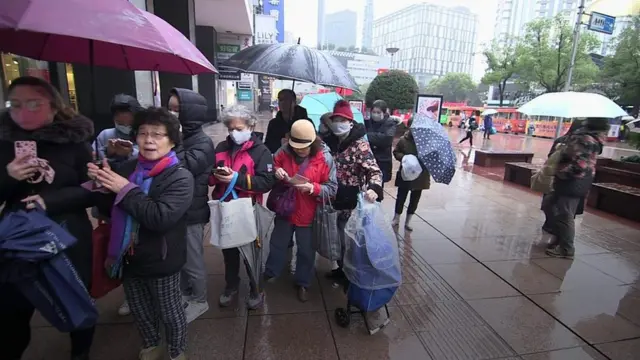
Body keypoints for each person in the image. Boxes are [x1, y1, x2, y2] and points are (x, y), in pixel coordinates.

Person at [0, 76, 96, 360]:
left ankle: (81, 354)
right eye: (14, 104)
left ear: (54, 107)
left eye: (34, 104)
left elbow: (92, 189)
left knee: (75, 299)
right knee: (11, 310)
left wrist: (50, 200)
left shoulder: (75, 142)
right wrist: (8, 177)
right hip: (16, 237)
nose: (23, 112)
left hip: (67, 234)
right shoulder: (3, 141)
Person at [89, 107, 193, 360]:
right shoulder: (128, 167)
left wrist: (124, 189)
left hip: (161, 257)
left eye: (157, 134)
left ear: (171, 140)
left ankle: (176, 350)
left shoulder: (179, 177)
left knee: (170, 310)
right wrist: (103, 186)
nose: (149, 140)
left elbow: (160, 217)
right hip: (126, 254)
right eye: (143, 133)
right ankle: (151, 343)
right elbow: (109, 209)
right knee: (139, 308)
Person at [209, 105, 276, 309]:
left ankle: (256, 288)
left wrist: (236, 178)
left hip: (249, 208)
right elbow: (209, 176)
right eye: (230, 128)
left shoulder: (261, 151)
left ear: (250, 125)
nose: (233, 133)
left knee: (251, 252)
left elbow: (266, 182)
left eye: (238, 128)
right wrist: (216, 176)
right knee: (229, 251)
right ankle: (231, 285)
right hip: (226, 207)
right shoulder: (221, 147)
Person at [265, 120, 337, 302]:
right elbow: (270, 167)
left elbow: (332, 188)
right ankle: (271, 272)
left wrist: (313, 188)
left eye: (303, 148)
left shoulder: (325, 158)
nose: (299, 150)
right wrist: (276, 171)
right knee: (277, 243)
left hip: (309, 213)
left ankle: (303, 282)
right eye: (295, 147)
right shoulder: (282, 152)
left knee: (306, 251)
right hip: (286, 210)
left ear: (312, 143)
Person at [319, 100, 384, 281]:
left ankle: (349, 275)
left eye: (343, 120)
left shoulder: (359, 145)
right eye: (336, 120)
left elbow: (374, 171)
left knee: (347, 239)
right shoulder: (330, 142)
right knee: (334, 238)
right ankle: (340, 269)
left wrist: (374, 188)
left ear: (350, 122)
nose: (339, 123)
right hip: (332, 198)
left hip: (349, 201)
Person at [167, 88, 216, 323]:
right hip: (176, 209)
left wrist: (174, 140)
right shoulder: (182, 137)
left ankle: (199, 299)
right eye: (170, 107)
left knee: (192, 259)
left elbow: (182, 166)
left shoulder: (203, 143)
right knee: (180, 256)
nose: (171, 113)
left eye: (176, 109)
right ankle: (186, 293)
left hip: (192, 210)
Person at [92, 93, 142, 317]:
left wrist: (129, 152)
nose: (123, 123)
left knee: (133, 248)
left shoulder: (142, 134)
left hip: (133, 197)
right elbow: (94, 160)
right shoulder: (104, 135)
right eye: (119, 120)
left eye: (127, 119)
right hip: (109, 200)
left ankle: (135, 295)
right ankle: (120, 290)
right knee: (113, 246)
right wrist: (109, 155)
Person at [544, 118, 608, 259]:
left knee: (565, 214)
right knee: (549, 204)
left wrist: (562, 172)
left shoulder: (585, 139)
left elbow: (580, 165)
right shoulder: (586, 137)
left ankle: (566, 248)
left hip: (572, 180)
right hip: (575, 179)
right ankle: (559, 238)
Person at [391, 119, 430, 231]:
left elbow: (431, 157)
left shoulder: (426, 142)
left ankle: (408, 221)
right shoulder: (404, 140)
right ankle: (396, 218)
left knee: (415, 199)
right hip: (406, 173)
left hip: (421, 175)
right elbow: (396, 152)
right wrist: (404, 158)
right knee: (401, 197)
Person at [94, 94, 141, 166]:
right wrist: (108, 152)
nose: (125, 126)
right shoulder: (105, 135)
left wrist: (131, 152)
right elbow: (94, 159)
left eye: (129, 124)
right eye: (121, 123)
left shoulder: (144, 135)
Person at [264, 89, 309, 154]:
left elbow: (311, 144)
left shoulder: (306, 122)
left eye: (286, 99)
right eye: (280, 99)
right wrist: (280, 144)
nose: (282, 102)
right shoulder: (273, 123)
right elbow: (268, 146)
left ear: (294, 102)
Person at [365, 99, 398, 185]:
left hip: (382, 162)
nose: (375, 114)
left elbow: (386, 139)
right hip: (367, 160)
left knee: (377, 188)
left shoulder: (390, 123)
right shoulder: (367, 122)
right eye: (374, 112)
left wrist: (367, 135)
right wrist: (377, 135)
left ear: (384, 112)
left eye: (378, 112)